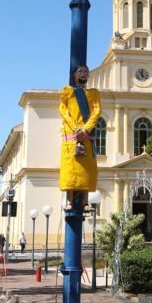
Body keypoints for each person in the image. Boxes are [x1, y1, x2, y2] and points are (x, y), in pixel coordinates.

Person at [59, 65, 102, 211]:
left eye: (86, 71)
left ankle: (85, 202)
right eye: (80, 71)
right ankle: (69, 201)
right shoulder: (67, 91)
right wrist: (75, 128)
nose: (83, 74)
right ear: (74, 75)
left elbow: (97, 111)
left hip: (87, 136)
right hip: (71, 137)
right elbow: (63, 110)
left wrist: (85, 129)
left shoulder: (94, 93)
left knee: (86, 170)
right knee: (71, 169)